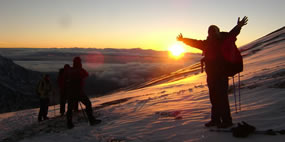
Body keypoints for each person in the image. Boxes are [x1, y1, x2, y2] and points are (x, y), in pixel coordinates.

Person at [177, 16, 248, 128]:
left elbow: (232, 34)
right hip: (211, 76)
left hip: (221, 75)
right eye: (210, 31)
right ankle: (215, 120)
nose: (212, 33)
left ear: (217, 32)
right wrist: (183, 40)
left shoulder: (223, 40)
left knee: (222, 99)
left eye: (213, 31)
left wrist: (238, 26)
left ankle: (227, 121)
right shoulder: (207, 43)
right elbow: (194, 42)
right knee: (214, 99)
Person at [65, 56, 100, 129]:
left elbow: (67, 79)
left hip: (70, 92)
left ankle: (69, 123)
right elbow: (86, 74)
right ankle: (91, 120)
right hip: (78, 92)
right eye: (80, 61)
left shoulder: (70, 70)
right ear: (79, 62)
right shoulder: (79, 70)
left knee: (70, 108)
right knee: (88, 103)